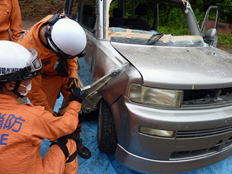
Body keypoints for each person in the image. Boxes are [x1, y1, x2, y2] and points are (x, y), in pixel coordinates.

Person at [0, 40, 83, 174]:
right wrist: (75, 102)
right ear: (10, 85)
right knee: (68, 141)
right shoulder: (32, 116)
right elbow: (68, 125)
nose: (30, 82)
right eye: (27, 78)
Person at [18, 13, 91, 159]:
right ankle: (59, 139)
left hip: (62, 70)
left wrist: (73, 75)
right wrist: (54, 120)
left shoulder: (63, 27)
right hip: (42, 79)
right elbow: (35, 92)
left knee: (74, 101)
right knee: (45, 112)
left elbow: (72, 56)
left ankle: (74, 138)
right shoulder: (28, 53)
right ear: (54, 50)